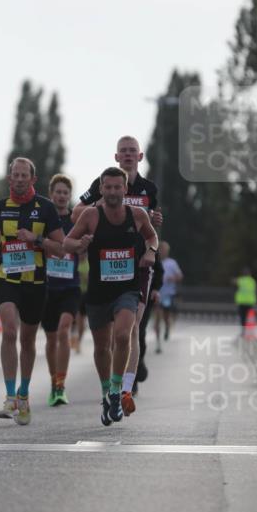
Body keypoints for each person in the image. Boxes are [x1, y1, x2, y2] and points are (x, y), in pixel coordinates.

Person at [65, 167, 158, 425]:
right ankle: (106, 392)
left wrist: (150, 251)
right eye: (109, 187)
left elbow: (152, 236)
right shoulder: (91, 216)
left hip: (127, 289)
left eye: (118, 187)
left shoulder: (137, 215)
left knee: (123, 334)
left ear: (125, 189)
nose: (114, 192)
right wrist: (79, 244)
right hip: (98, 292)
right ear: (102, 189)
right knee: (102, 347)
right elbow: (66, 243)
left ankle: (117, 391)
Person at [73, 135, 163, 396]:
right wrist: (100, 209)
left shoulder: (149, 189)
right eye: (122, 151)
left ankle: (126, 386)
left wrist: (156, 220)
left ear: (140, 156)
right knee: (112, 334)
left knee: (133, 327)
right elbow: (77, 212)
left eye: (132, 151)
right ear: (116, 156)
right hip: (106, 264)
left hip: (139, 265)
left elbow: (152, 229)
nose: (127, 154)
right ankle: (117, 382)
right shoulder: (103, 184)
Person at [0, 157, 65, 425]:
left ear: (33, 179)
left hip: (35, 281)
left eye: (24, 176)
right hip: (6, 276)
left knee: (28, 340)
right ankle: (9, 398)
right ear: (9, 178)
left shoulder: (45, 208)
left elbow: (61, 247)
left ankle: (23, 394)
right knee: (9, 330)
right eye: (15, 175)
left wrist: (36, 240)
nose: (19, 179)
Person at [42, 174, 82, 406]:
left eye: (65, 192)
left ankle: (61, 384)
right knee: (50, 337)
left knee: (64, 330)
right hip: (47, 286)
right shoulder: (44, 219)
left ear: (69, 196)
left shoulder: (76, 219)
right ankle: (53, 381)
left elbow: (82, 245)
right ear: (51, 194)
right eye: (57, 192)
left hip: (70, 286)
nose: (61, 196)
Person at [153, 241, 183, 352]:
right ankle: (158, 343)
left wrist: (173, 279)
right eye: (161, 250)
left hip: (168, 295)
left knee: (166, 317)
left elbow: (180, 276)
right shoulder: (154, 261)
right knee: (157, 318)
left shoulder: (172, 263)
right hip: (157, 294)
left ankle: (167, 327)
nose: (163, 252)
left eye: (165, 250)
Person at [233, 267, 257, 332]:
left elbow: (234, 281)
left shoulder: (241, 280)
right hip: (250, 302)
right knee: (250, 318)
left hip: (242, 302)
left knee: (242, 318)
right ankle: (250, 331)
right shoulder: (252, 281)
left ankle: (243, 331)